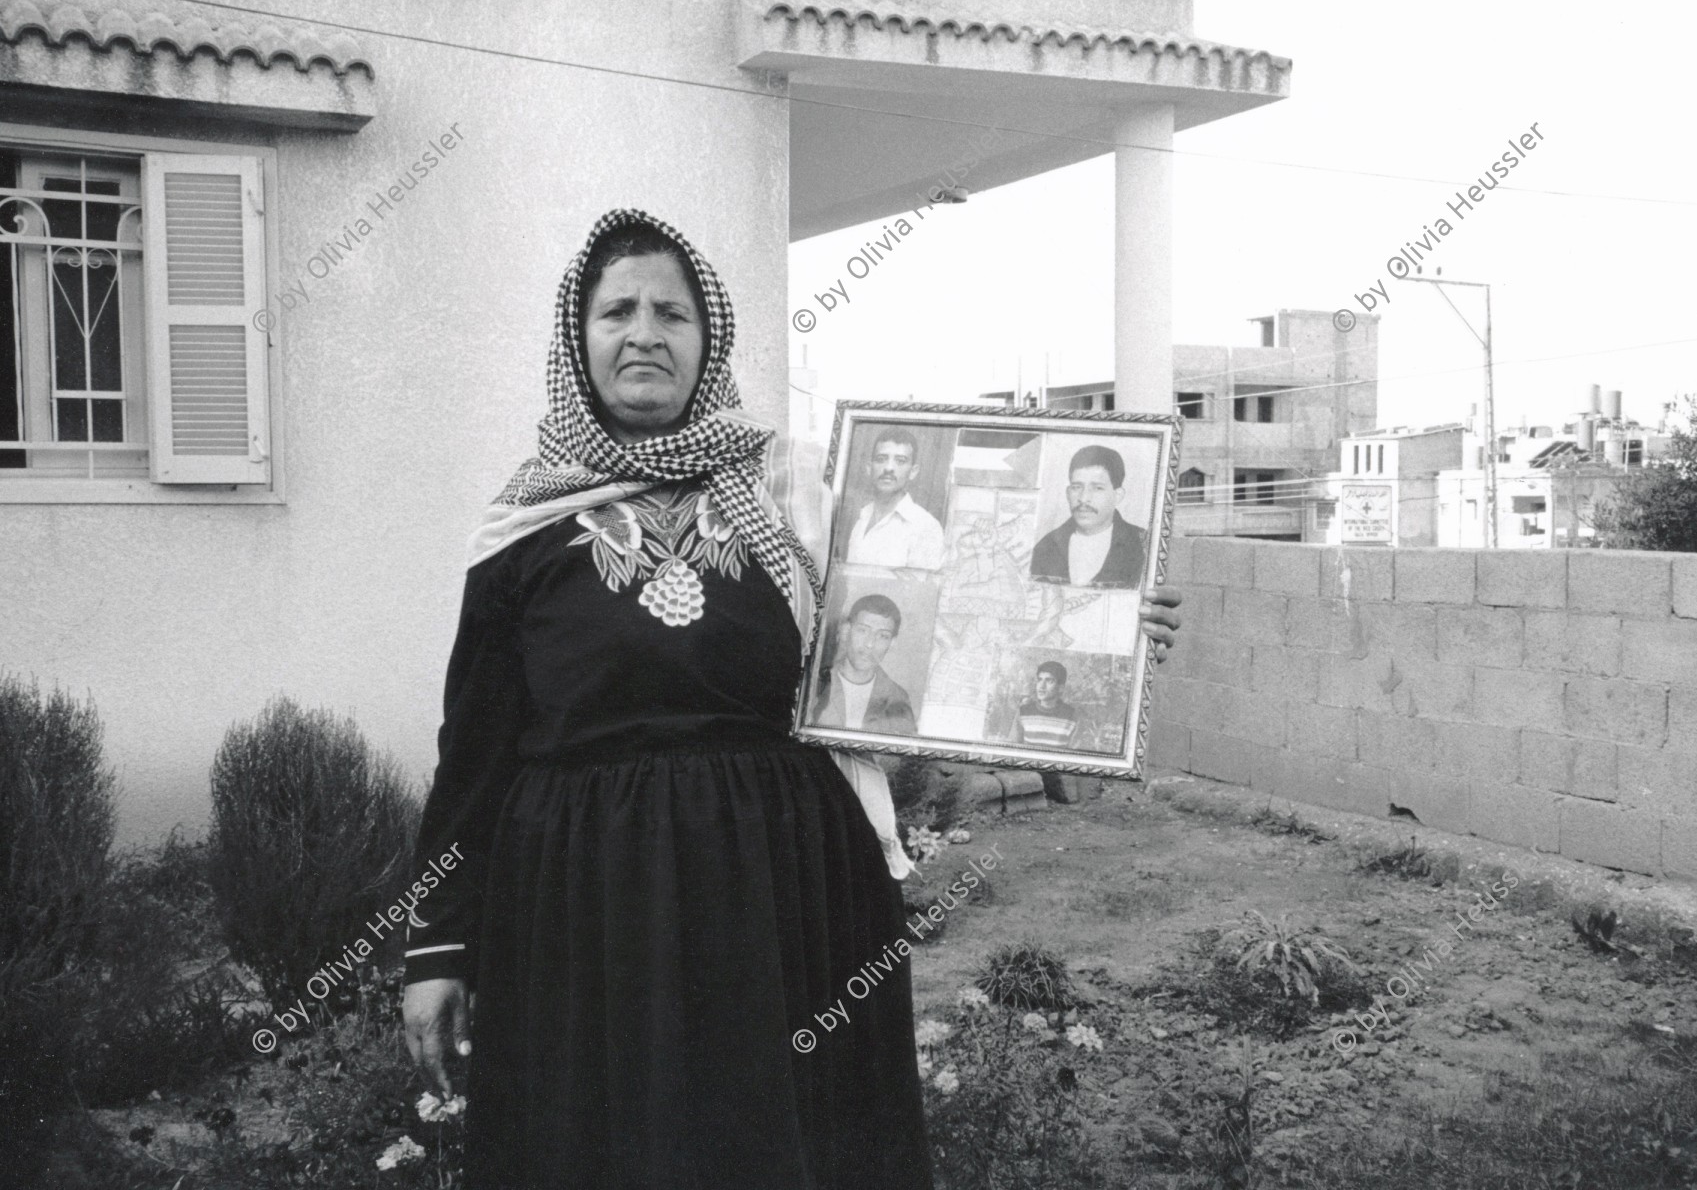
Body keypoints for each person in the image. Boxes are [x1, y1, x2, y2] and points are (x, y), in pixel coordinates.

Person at [400, 209, 1182, 1189]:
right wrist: (436, 947)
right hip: (585, 915)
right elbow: (472, 757)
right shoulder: (522, 529)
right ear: (577, 339)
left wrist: (1108, 630)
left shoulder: (800, 496)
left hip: (786, 898)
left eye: (672, 314)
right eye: (618, 311)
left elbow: (959, 638)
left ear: (708, 339)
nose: (645, 331)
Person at [1029, 444, 1148, 588]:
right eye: (1077, 487)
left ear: (1118, 496)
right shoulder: (1045, 547)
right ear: (1068, 493)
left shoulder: (1144, 545)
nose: (1084, 498)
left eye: (1097, 488)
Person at [810, 593, 917, 734]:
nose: (870, 644)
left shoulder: (897, 698)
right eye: (863, 630)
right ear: (846, 630)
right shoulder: (816, 684)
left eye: (883, 636)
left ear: (892, 643)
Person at [844, 428, 945, 569]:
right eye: (881, 459)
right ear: (869, 468)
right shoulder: (862, 517)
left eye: (900, 461)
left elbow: (921, 590)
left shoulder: (925, 527)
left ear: (913, 472)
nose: (889, 468)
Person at [1007, 660, 1078, 748]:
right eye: (1039, 680)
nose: (1041, 686)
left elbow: (1077, 757)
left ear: (1061, 688)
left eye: (1049, 681)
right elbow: (1011, 749)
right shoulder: (1023, 712)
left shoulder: (1072, 716)